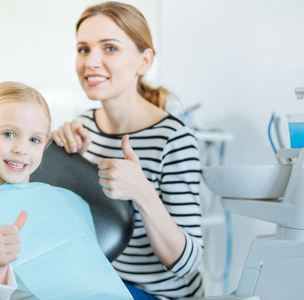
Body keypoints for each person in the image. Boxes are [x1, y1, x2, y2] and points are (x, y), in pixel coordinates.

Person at [52, 2, 203, 299]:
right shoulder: (82, 128)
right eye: (84, 49)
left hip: (158, 294)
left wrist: (143, 192)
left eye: (109, 48)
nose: (91, 62)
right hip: (99, 284)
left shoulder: (173, 137)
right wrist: (64, 164)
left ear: (143, 61)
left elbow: (187, 263)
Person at [0, 81, 133, 300]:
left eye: (34, 139)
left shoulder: (69, 201)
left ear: (44, 146)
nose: (21, 149)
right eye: (8, 134)